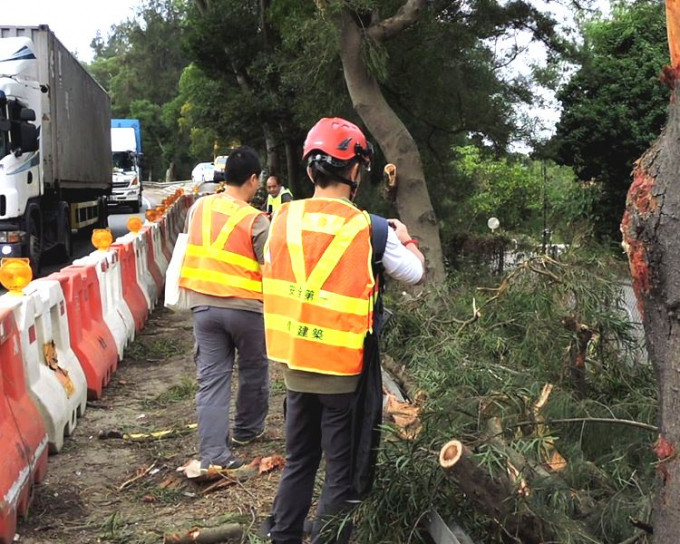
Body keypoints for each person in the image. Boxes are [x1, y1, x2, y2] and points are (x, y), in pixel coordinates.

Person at [261, 117, 425, 544]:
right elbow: (415, 274)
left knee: (299, 459)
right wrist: (404, 237)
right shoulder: (370, 228)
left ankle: (284, 535)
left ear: (312, 169)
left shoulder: (282, 219)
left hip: (296, 364)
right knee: (342, 471)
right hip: (343, 373)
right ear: (354, 170)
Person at [179, 145, 270, 472]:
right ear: (253, 179)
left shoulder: (199, 207)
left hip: (203, 306)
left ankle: (214, 453)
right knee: (253, 370)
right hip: (246, 309)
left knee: (212, 380)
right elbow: (270, 267)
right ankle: (247, 430)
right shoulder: (256, 220)